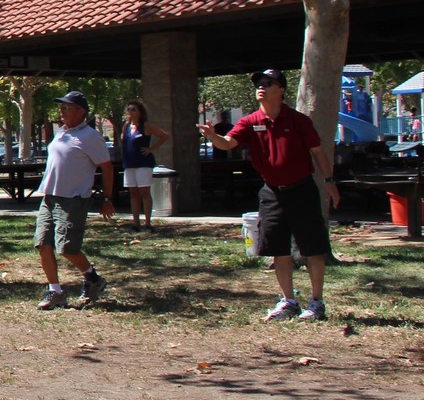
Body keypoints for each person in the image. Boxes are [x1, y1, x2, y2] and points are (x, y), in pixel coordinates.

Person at [199, 68, 341, 321]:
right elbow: (229, 143)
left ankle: (317, 303)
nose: (261, 87)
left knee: (313, 247)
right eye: (258, 84)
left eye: (268, 83)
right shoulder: (250, 121)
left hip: (302, 189)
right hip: (272, 192)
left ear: (282, 90)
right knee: (278, 248)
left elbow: (318, 152)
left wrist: (329, 182)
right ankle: (289, 302)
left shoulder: (298, 121)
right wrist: (213, 137)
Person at [34, 92, 116, 310]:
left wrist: (107, 198)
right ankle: (55, 292)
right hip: (49, 197)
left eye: (67, 107)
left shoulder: (91, 136)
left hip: (74, 199)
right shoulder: (61, 131)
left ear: (81, 111)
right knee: (43, 244)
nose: (62, 110)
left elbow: (107, 167)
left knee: (68, 249)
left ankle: (93, 278)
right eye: (61, 107)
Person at [121, 100, 170, 231]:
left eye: (134, 109)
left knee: (144, 192)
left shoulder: (146, 125)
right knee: (133, 193)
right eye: (129, 109)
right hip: (129, 163)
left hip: (143, 163)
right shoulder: (126, 126)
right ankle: (135, 223)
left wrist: (152, 148)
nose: (131, 111)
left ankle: (147, 223)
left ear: (140, 112)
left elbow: (164, 135)